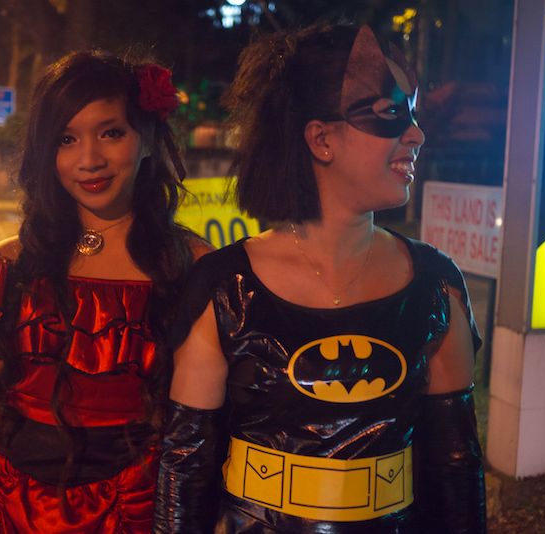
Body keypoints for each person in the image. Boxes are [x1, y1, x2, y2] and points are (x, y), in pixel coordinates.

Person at [154, 24, 486, 533]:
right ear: (321, 138)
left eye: (414, 113)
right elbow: (186, 466)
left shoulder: (436, 286)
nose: (416, 133)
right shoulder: (225, 288)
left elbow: (455, 466)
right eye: (390, 113)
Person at [0, 50, 209, 533]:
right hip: (13, 516)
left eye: (111, 133)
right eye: (66, 139)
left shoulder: (193, 267)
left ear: (146, 137)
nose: (89, 160)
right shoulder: (5, 268)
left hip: (142, 516)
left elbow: (202, 436)